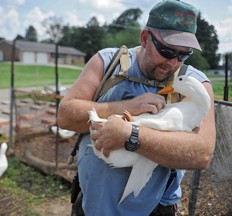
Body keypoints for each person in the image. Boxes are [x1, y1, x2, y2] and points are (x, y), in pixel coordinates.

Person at [58, 0, 216, 215]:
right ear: (144, 38)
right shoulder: (107, 62)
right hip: (91, 205)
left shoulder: (195, 83)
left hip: (155, 210)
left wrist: (130, 135)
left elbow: (202, 154)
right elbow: (65, 116)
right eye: (168, 51)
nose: (173, 63)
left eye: (183, 54)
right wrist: (125, 107)